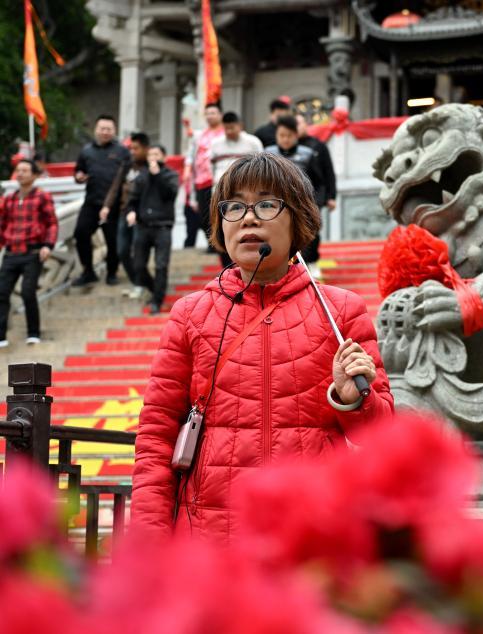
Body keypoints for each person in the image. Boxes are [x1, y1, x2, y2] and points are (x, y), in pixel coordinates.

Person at [131, 152, 394, 539]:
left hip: (315, 539)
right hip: (212, 540)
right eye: (234, 206)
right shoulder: (190, 315)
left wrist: (352, 399)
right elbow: (157, 436)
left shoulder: (341, 311)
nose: (249, 218)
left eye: (267, 204)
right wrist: (148, 542)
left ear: (298, 219)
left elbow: (383, 434)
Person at [0, 159, 58, 347]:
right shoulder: (10, 199)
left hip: (32, 252)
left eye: (25, 170)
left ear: (34, 175)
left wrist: (48, 245)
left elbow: (52, 223)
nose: (21, 174)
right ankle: (1, 336)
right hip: (10, 253)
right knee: (2, 293)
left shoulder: (42, 196)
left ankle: (33, 333)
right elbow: (2, 225)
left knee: (27, 292)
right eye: (18, 170)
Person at [73, 114, 130, 286]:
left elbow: (125, 178)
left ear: (114, 131)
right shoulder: (86, 151)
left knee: (112, 241)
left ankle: (112, 272)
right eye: (102, 128)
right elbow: (79, 171)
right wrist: (79, 176)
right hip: (91, 202)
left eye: (109, 129)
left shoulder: (122, 151)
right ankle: (88, 271)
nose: (105, 132)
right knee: (80, 233)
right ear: (95, 130)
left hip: (113, 205)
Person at [266, 115, 326, 271]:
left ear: (296, 135)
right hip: (277, 206)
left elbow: (319, 182)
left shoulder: (308, 154)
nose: (285, 139)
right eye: (281, 135)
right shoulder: (268, 155)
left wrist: (317, 203)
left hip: (303, 204)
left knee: (309, 235)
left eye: (289, 136)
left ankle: (311, 264)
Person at [126, 144, 179, 315]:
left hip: (163, 226)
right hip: (143, 225)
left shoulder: (170, 175)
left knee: (161, 265)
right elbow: (132, 199)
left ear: (164, 156)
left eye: (156, 154)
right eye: (150, 155)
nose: (153, 158)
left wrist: (157, 175)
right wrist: (131, 212)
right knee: (138, 265)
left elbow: (170, 194)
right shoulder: (142, 176)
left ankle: (157, 300)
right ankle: (155, 289)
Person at [101, 131, 150, 296]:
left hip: (142, 216)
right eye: (131, 148)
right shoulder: (127, 165)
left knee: (139, 252)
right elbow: (115, 186)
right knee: (121, 250)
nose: (132, 152)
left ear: (146, 148)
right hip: (125, 212)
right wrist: (106, 206)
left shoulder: (151, 167)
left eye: (136, 148)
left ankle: (141, 283)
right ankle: (136, 281)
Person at [296, 112, 337, 266]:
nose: (297, 127)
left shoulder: (318, 146)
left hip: (315, 195)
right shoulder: (286, 148)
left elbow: (328, 172)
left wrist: (331, 196)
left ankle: (312, 261)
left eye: (299, 123)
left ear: (306, 125)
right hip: (294, 197)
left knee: (312, 229)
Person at [183, 102, 224, 253]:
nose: (210, 116)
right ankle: (212, 242)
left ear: (220, 115)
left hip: (218, 180)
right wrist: (188, 169)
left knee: (219, 212)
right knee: (203, 215)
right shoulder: (199, 135)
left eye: (213, 113)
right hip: (200, 180)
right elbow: (190, 154)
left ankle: (221, 243)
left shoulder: (224, 134)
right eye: (207, 113)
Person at [210, 111, 262, 185]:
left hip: (246, 184)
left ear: (240, 126)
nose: (229, 131)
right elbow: (211, 167)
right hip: (220, 184)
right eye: (226, 128)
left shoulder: (253, 142)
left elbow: (260, 165)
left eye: (232, 128)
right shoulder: (215, 143)